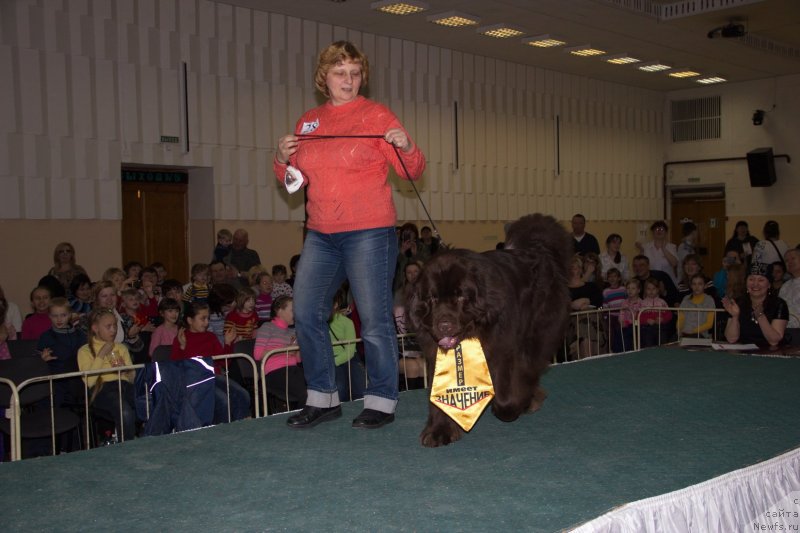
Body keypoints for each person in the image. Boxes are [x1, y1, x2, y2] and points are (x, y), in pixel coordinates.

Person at [274, 40, 426, 430]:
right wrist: (280, 159)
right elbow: (295, 182)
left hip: (370, 232)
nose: (349, 80)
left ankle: (381, 400)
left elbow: (414, 167)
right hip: (321, 234)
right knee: (306, 312)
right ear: (324, 76)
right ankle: (323, 398)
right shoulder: (309, 122)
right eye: (341, 72)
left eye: (356, 73)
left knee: (374, 320)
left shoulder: (376, 115)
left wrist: (406, 146)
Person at [171, 301, 250, 423]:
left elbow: (223, 363)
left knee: (243, 395)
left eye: (207, 318)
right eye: (202, 319)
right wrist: (182, 347)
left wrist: (228, 343)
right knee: (223, 401)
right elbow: (176, 367)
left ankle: (239, 427)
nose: (207, 322)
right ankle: (222, 433)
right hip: (195, 381)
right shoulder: (181, 338)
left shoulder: (210, 337)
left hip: (214, 376)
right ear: (190, 320)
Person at [77, 308, 137, 441]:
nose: (113, 330)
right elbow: (89, 381)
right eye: (108, 326)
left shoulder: (121, 348)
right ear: (95, 328)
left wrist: (127, 370)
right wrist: (102, 354)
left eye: (115, 325)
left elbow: (132, 379)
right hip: (102, 390)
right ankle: (127, 447)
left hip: (124, 385)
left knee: (148, 401)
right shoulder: (84, 351)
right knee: (125, 412)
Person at [253, 296, 306, 409]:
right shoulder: (267, 327)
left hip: (292, 370)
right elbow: (258, 354)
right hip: (274, 372)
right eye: (292, 310)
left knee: (314, 385)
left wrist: (297, 347)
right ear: (279, 310)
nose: (295, 313)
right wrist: (287, 349)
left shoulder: (293, 331)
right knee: (306, 392)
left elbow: (297, 359)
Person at [722, 262, 788, 347]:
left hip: (771, 354)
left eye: (761, 280)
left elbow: (773, 341)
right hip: (743, 354)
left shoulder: (779, 304)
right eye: (751, 279)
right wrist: (735, 317)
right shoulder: (737, 303)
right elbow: (731, 339)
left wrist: (760, 316)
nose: (755, 284)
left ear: (769, 285)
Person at [37, 297, 86, 406]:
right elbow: (37, 360)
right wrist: (42, 359)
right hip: (57, 381)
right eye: (55, 316)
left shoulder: (80, 335)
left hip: (78, 378)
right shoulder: (46, 337)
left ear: (69, 315)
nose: (59, 319)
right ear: (49, 316)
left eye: (63, 315)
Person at [328, 288, 364, 401]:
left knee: (361, 390)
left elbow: (350, 349)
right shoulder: (319, 323)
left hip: (350, 357)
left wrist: (334, 362)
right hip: (330, 358)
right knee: (340, 389)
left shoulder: (347, 322)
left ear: (335, 305)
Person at [635, 220, 678, 286]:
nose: (659, 231)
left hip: (668, 281)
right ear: (652, 232)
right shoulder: (646, 246)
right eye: (657, 229)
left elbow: (674, 263)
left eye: (661, 229)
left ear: (666, 232)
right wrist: (641, 250)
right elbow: (640, 265)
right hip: (651, 283)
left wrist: (664, 248)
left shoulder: (672, 246)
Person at [677, 274, 716, 339]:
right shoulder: (686, 299)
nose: (696, 287)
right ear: (691, 286)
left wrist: (693, 331)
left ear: (705, 286)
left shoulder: (709, 300)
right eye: (694, 284)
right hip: (684, 333)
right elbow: (681, 318)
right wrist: (679, 330)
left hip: (700, 334)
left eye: (700, 284)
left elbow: (709, 323)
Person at [639, 278, 673, 348]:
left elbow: (669, 315)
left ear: (658, 290)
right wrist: (646, 320)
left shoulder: (662, 302)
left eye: (653, 288)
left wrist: (662, 319)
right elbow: (638, 317)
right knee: (648, 343)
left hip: (660, 328)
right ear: (645, 290)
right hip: (647, 329)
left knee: (663, 342)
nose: (651, 291)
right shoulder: (642, 303)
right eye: (648, 289)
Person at [778, 248, 800, 343]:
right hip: (785, 332)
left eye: (793, 258)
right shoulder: (785, 286)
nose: (789, 262)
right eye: (786, 261)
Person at [616, 279, 643, 352]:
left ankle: (630, 351)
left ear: (638, 290)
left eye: (633, 288)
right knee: (618, 332)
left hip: (636, 325)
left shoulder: (641, 303)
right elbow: (622, 313)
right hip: (626, 324)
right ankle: (619, 351)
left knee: (630, 335)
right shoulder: (624, 302)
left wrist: (634, 322)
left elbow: (641, 316)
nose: (630, 290)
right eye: (628, 288)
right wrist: (622, 321)